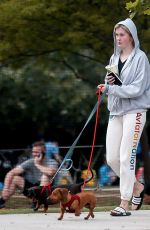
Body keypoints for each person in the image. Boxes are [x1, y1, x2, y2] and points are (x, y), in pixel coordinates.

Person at [97, 18, 150, 216]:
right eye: (116, 35)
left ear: (131, 36)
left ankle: (124, 203)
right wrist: (106, 84)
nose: (118, 38)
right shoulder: (113, 57)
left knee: (126, 156)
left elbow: (137, 89)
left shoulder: (141, 58)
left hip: (135, 111)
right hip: (116, 111)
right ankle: (137, 187)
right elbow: (112, 84)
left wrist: (112, 88)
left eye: (122, 35)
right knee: (112, 158)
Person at [0, 141, 58, 209]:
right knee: (15, 178)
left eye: (37, 152)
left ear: (44, 151)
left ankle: (38, 202)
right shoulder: (30, 162)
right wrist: (6, 189)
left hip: (47, 192)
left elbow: (50, 172)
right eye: (33, 152)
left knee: (45, 176)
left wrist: (37, 164)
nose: (34, 154)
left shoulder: (51, 162)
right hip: (32, 189)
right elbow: (11, 173)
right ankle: (2, 201)